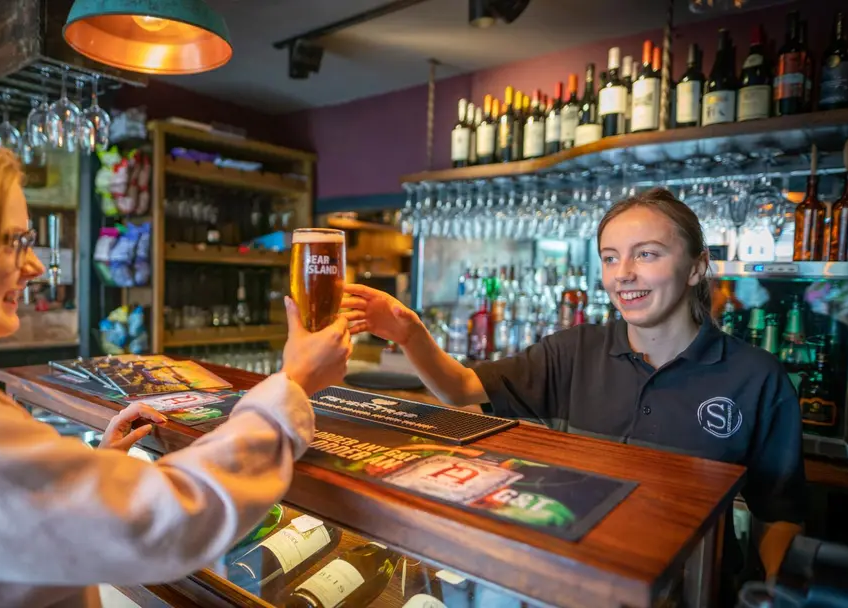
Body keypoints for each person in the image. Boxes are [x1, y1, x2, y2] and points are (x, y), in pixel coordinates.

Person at [0, 124, 353, 608]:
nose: (34, 268)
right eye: (14, 241)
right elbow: (170, 522)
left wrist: (91, 474)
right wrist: (292, 385)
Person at [343, 187, 806, 598]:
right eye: (610, 257)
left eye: (647, 254)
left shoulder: (756, 378)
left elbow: (778, 514)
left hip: (692, 592)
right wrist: (409, 333)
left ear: (696, 267)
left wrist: (771, 593)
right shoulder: (573, 351)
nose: (623, 273)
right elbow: (459, 388)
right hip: (573, 585)